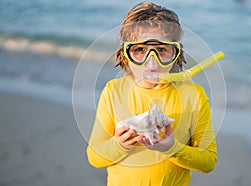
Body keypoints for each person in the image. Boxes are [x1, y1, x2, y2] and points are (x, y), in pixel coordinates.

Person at [86, 2, 218, 185]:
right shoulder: (113, 91)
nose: (151, 62)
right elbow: (95, 157)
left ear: (175, 54)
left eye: (162, 50)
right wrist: (120, 144)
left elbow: (208, 161)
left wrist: (172, 148)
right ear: (125, 55)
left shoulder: (193, 95)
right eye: (139, 50)